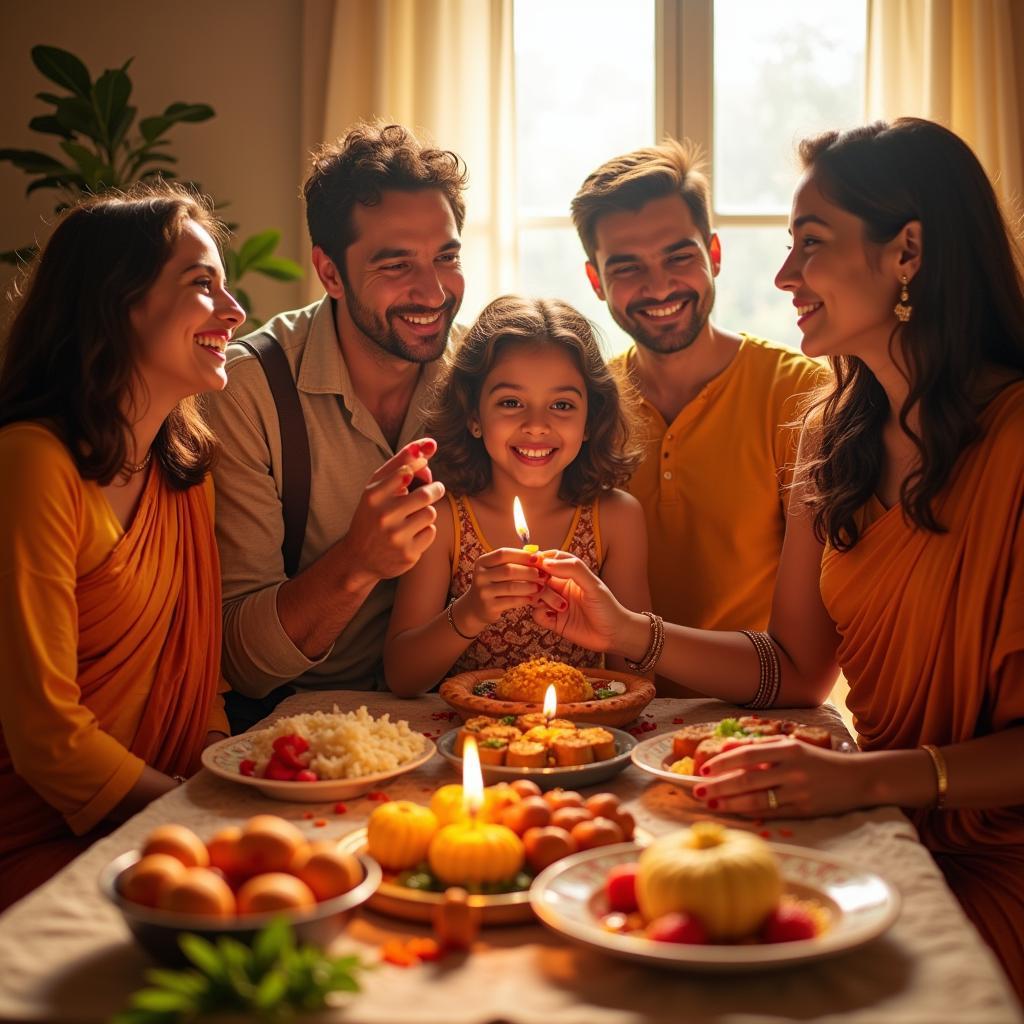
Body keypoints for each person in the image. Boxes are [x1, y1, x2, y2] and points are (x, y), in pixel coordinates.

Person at [536, 119, 1024, 998]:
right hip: (874, 820)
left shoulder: (1017, 441)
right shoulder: (835, 434)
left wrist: (861, 779)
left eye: (809, 245)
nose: (784, 275)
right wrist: (623, 629)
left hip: (990, 856)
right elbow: (798, 669)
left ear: (907, 252)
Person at [0, 182, 245, 909]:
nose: (234, 313)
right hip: (38, 838)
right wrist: (190, 815)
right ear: (116, 302)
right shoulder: (31, 463)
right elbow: (46, 737)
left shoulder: (183, 468)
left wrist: (226, 787)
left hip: (161, 817)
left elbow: (202, 687)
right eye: (203, 286)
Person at [205, 121, 459, 728]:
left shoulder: (481, 378)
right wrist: (359, 561)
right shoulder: (248, 390)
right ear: (330, 273)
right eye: (397, 264)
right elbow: (242, 661)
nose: (433, 290)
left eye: (446, 257)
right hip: (298, 727)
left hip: (456, 716)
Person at [571, 141, 827, 683]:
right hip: (610, 712)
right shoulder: (582, 406)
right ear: (596, 281)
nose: (659, 286)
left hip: (756, 713)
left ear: (714, 254)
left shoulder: (803, 394)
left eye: (678, 257)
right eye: (627, 267)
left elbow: (810, 664)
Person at [383, 295, 650, 696]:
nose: (537, 425)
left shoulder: (616, 518)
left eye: (562, 404)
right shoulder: (442, 518)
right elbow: (402, 677)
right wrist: (471, 612)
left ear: (591, 419)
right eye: (511, 402)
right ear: (473, 415)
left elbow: (637, 682)